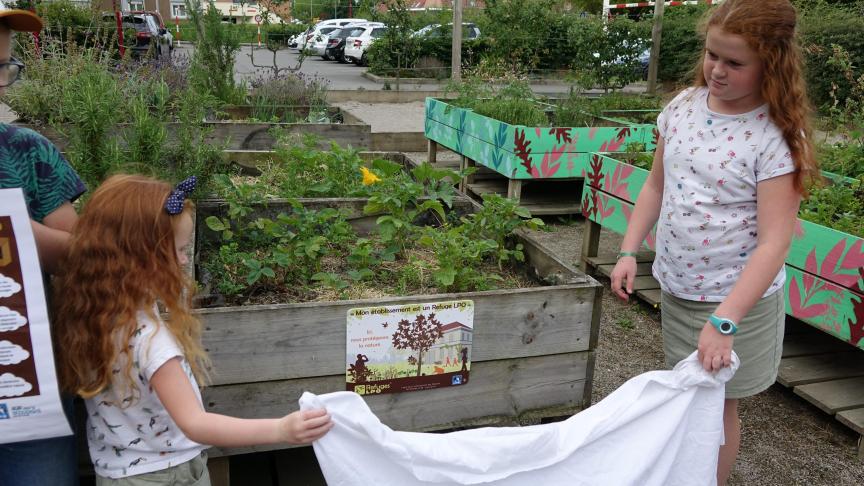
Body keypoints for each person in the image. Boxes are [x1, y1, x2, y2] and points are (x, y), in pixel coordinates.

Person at [609, 1, 817, 483]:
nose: (716, 71)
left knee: (718, 408)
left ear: (773, 65)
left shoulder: (776, 137)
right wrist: (627, 250)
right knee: (687, 398)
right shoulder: (682, 107)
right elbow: (656, 186)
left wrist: (725, 322)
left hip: (736, 303)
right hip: (680, 287)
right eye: (711, 55)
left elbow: (774, 243)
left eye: (734, 62)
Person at [53, 175, 333, 484]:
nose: (185, 259)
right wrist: (281, 429)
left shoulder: (91, 316)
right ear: (144, 258)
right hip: (169, 475)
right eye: (180, 249)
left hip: (117, 472)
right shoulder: (152, 341)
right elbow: (195, 424)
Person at [0, 5, 88, 485]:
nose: (0, 82)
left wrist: (13, 230)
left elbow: (78, 253)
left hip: (27, 386)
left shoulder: (26, 149)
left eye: (5, 67)